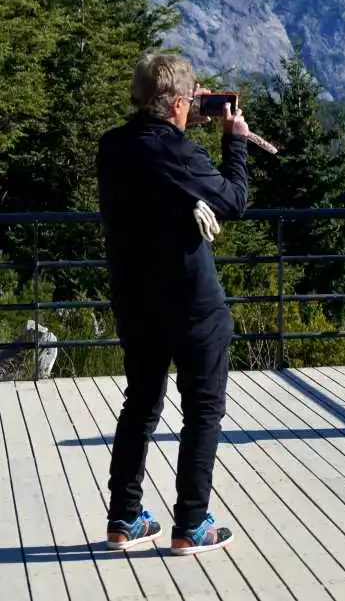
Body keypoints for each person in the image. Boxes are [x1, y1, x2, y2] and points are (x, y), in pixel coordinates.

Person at [97, 51, 249, 555]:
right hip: (192, 303)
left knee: (139, 407)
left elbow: (160, 176)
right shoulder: (180, 153)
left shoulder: (112, 147)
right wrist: (234, 143)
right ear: (181, 102)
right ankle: (192, 524)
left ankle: (124, 518)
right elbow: (232, 199)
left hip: (136, 301)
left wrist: (184, 127)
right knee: (202, 412)